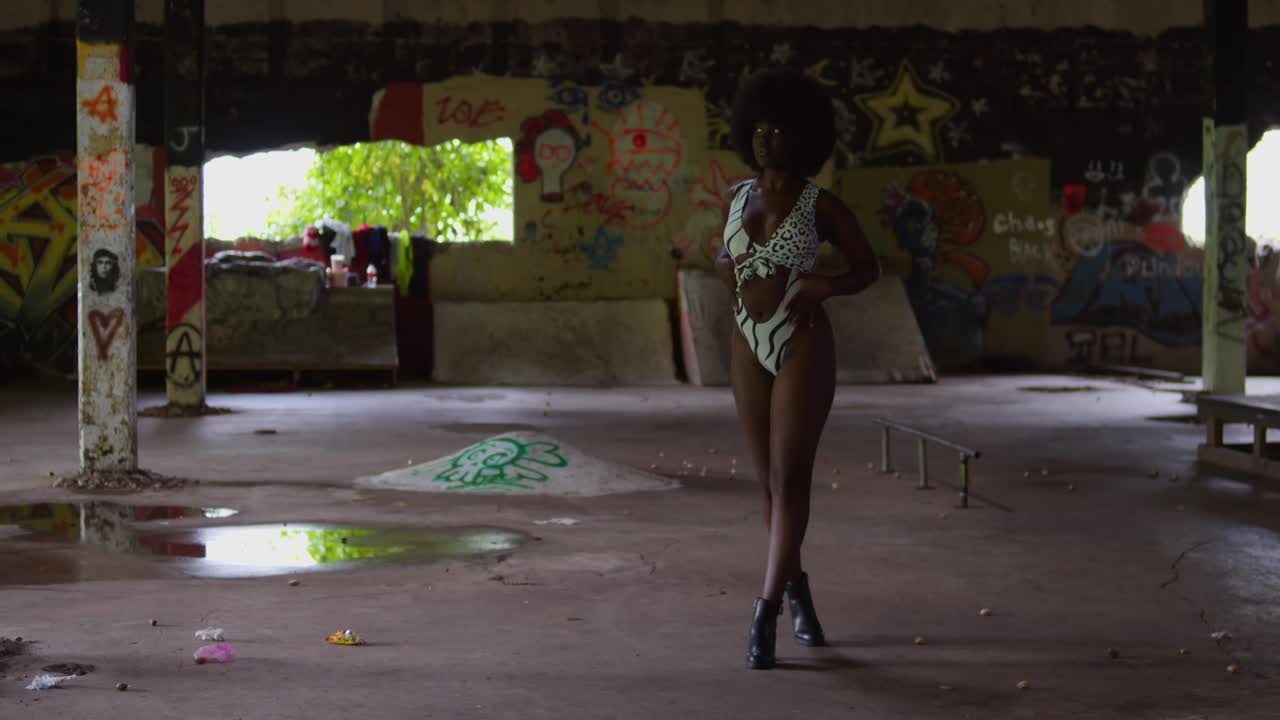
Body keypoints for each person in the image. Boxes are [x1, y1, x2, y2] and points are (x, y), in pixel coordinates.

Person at [713, 68, 882, 670]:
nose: (764, 138)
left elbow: (869, 268)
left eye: (777, 128)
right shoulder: (737, 196)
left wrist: (827, 285)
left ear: (804, 135)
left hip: (801, 344)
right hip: (745, 343)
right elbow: (722, 252)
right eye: (756, 127)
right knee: (765, 485)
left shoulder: (820, 204)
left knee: (790, 482)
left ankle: (765, 613)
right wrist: (725, 268)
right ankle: (799, 591)